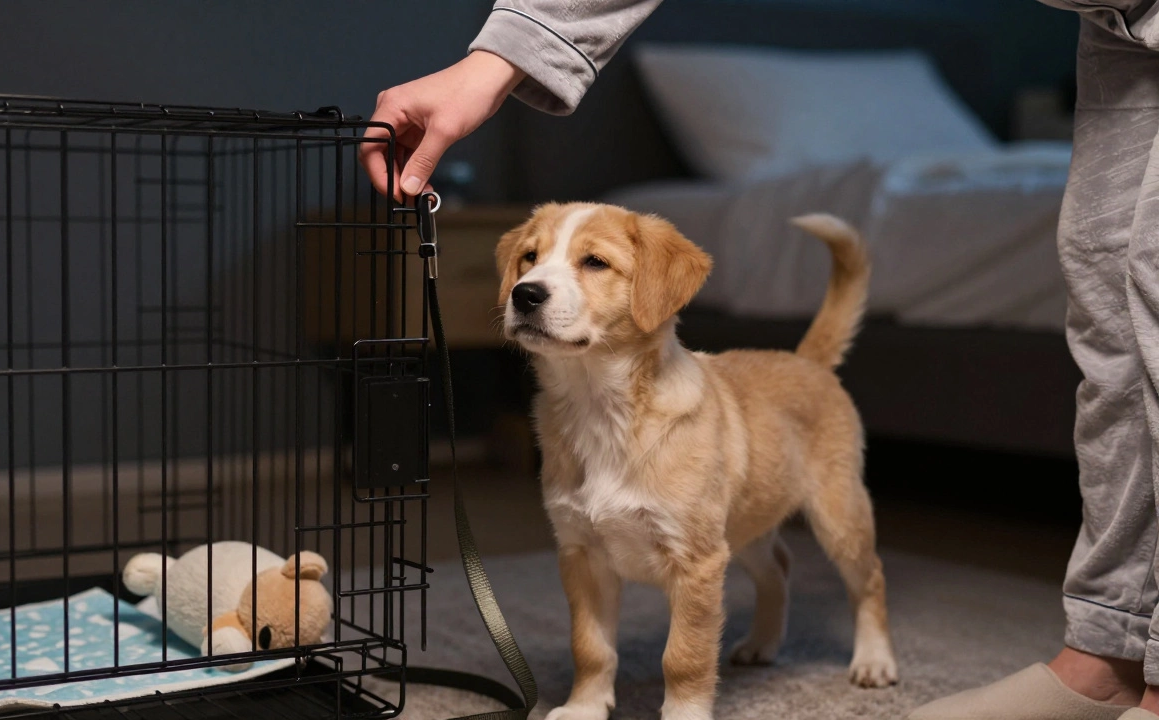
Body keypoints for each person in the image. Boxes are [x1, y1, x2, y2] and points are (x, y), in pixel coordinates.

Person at [360, 3, 1159, 719]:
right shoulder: (555, 419)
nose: (533, 282)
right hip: (1116, 29)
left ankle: (884, 620)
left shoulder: (678, 337)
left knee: (842, 539)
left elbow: (699, 564)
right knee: (1113, 311)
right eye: (529, 261)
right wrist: (499, 58)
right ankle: (1109, 652)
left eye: (591, 263)